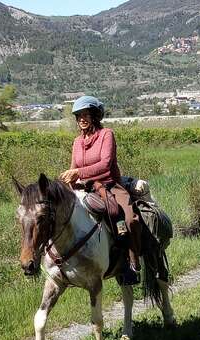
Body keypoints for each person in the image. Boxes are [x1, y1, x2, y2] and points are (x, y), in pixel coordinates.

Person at [60, 96, 142, 284]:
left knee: (130, 219)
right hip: (85, 189)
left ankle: (132, 264)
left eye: (86, 114)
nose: (82, 119)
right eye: (79, 115)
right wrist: (69, 182)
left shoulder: (107, 134)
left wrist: (78, 172)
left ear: (95, 116)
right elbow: (74, 168)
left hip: (110, 187)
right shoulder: (76, 142)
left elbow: (105, 165)